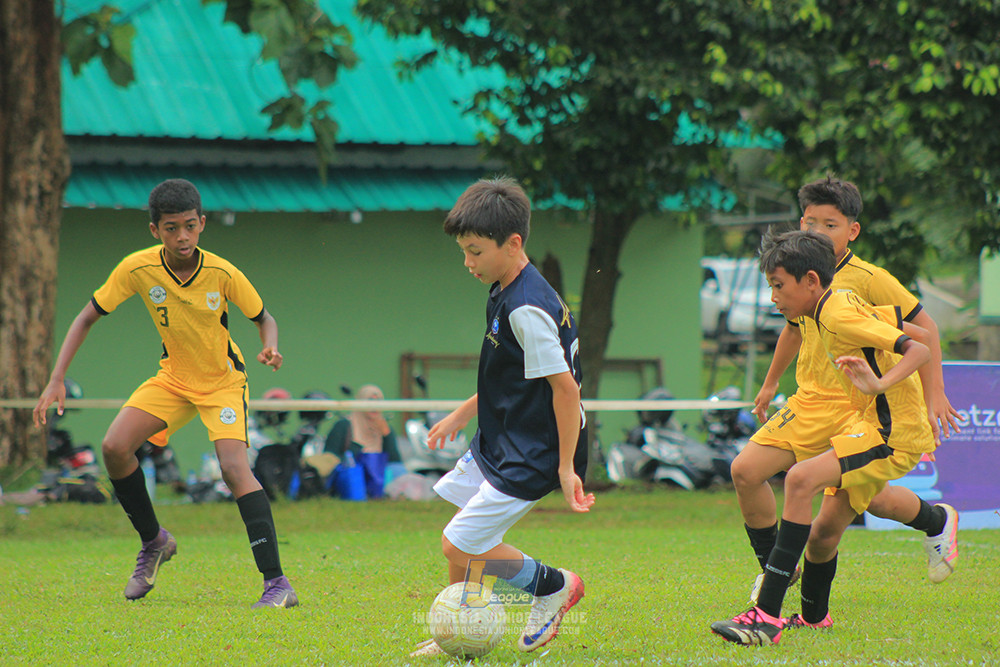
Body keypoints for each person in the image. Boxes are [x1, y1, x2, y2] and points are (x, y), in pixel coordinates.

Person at [33, 178, 297, 609]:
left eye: (190, 226)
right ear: (154, 230)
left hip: (222, 383)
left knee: (233, 469)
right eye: (172, 228)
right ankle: (154, 540)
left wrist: (270, 345)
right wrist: (56, 377)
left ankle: (277, 584)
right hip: (173, 379)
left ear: (203, 224)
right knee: (115, 447)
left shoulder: (223, 272)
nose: (182, 237)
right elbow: (86, 317)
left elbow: (264, 317)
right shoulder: (137, 269)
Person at [730, 177, 960, 608]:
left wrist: (935, 395)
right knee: (745, 471)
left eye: (830, 224)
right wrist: (770, 381)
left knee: (850, 511)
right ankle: (776, 570)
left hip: (860, 407)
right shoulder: (799, 276)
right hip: (813, 400)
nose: (818, 231)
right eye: (811, 222)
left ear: (851, 230)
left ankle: (934, 520)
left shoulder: (868, 280)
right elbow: (793, 331)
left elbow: (921, 332)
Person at [712, 229, 939, 645]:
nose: (773, 297)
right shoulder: (822, 306)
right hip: (862, 421)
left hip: (893, 431)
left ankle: (766, 616)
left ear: (811, 281)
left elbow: (920, 346)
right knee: (762, 478)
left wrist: (877, 385)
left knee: (805, 485)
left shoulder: (838, 312)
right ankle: (792, 601)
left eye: (778, 286)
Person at [409, 177, 594, 658]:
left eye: (474, 251)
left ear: (513, 243)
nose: (467, 263)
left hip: (535, 448)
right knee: (468, 531)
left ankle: (553, 586)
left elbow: (565, 389)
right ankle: (460, 628)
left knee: (458, 543)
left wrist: (566, 466)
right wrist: (463, 413)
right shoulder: (504, 286)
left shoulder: (526, 306)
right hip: (503, 436)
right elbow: (513, 376)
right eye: (463, 252)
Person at [324, 384, 400, 499]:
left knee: (398, 470)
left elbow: (395, 460)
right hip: (352, 478)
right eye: (370, 401)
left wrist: (386, 434)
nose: (374, 406)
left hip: (378, 478)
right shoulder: (344, 426)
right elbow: (330, 455)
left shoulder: (385, 428)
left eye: (378, 401)